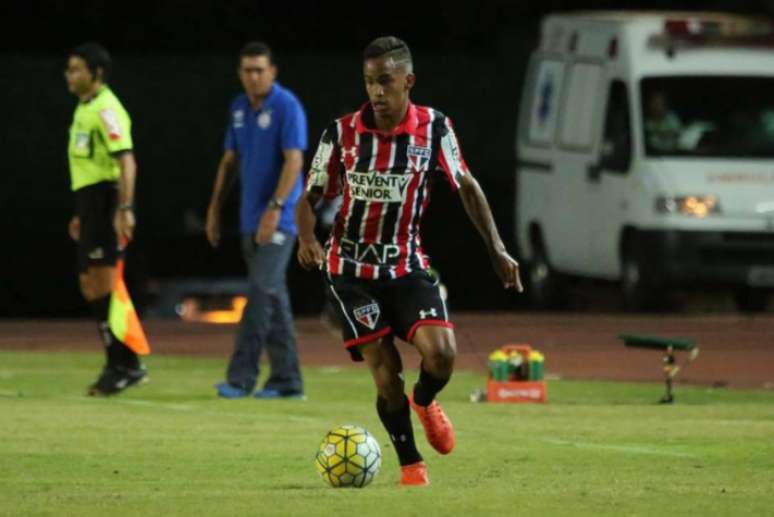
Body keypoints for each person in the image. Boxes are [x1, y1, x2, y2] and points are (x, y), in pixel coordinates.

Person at [296, 36, 523, 486]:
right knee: (386, 373)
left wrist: (496, 248)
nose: (376, 92)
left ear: (408, 80)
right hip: (351, 273)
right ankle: (411, 465)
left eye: (385, 81)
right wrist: (307, 238)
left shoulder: (435, 128)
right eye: (368, 82)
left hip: (406, 266)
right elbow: (310, 196)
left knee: (442, 356)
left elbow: (467, 187)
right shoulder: (340, 133)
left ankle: (425, 400)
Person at [207, 41, 306, 399]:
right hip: (250, 220)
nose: (253, 76)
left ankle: (241, 377)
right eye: (247, 70)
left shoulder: (287, 105)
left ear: (272, 71)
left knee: (259, 293)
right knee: (274, 300)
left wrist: (276, 206)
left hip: (280, 220)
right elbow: (229, 162)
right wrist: (215, 209)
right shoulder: (238, 108)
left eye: (259, 70)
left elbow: (294, 161)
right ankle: (287, 381)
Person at [64, 42, 146, 395]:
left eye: (77, 69)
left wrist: (124, 209)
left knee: (105, 283)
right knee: (91, 285)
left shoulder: (107, 108)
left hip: (106, 201)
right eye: (69, 69)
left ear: (96, 73)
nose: (70, 75)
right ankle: (123, 361)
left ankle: (123, 364)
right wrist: (81, 212)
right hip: (90, 203)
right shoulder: (84, 108)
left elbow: (126, 161)